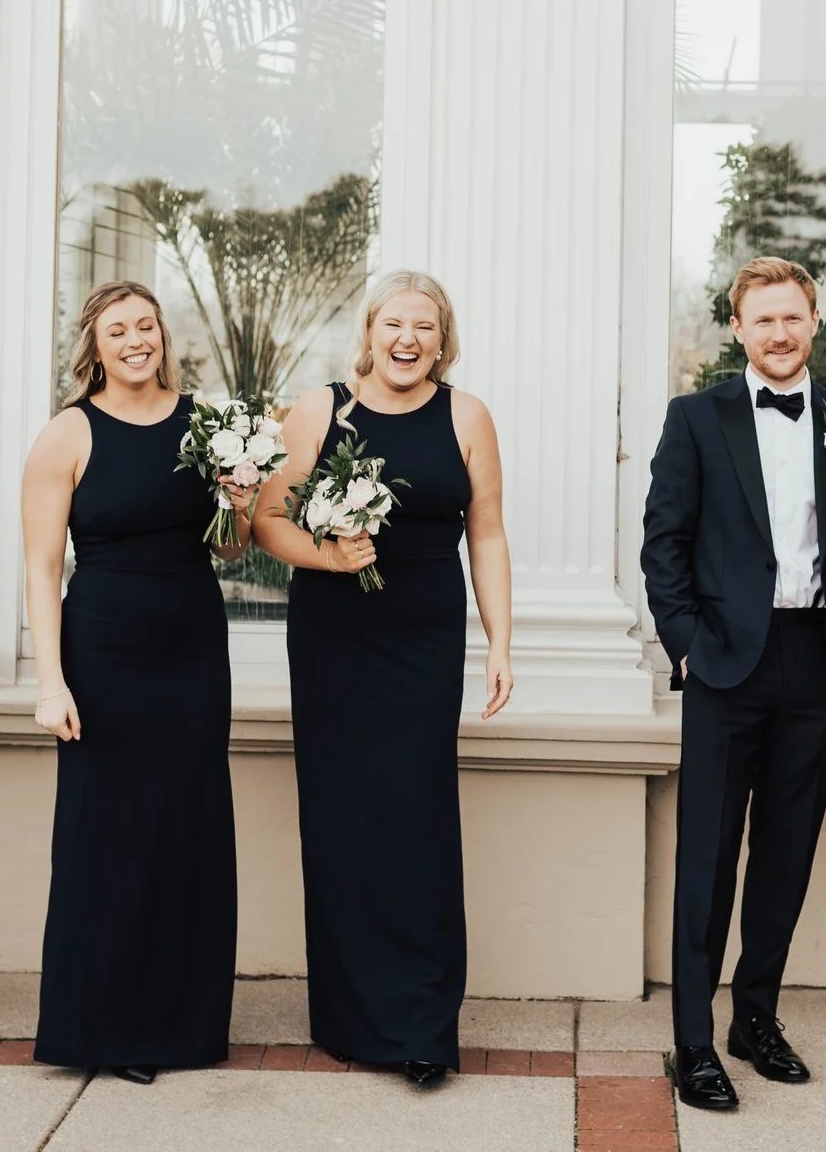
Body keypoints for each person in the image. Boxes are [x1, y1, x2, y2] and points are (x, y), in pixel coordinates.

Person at [253, 270, 514, 1088]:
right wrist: (327, 553)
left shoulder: (466, 415)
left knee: (419, 819)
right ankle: (350, 1017)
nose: (408, 339)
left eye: (425, 327)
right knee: (341, 818)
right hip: (335, 638)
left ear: (444, 338)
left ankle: (425, 1025)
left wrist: (501, 642)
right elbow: (266, 519)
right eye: (394, 323)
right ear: (368, 331)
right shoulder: (318, 409)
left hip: (425, 640)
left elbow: (490, 534)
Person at [642, 256, 826, 1114]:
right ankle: (694, 1042)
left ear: (815, 320)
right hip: (724, 662)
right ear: (737, 329)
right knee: (707, 858)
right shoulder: (696, 418)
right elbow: (663, 543)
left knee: (786, 853)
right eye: (763, 320)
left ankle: (756, 1018)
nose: (780, 334)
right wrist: (684, 647)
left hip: (818, 661)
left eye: (794, 317)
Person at [26, 281, 251, 1084]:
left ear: (163, 335)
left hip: (192, 646)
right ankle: (106, 1025)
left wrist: (240, 503)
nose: (135, 340)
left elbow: (230, 549)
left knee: (186, 827)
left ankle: (180, 1023)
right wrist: (51, 682)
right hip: (103, 649)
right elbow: (43, 564)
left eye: (146, 326)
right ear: (94, 345)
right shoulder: (67, 434)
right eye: (118, 329)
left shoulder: (209, 423)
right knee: (106, 833)